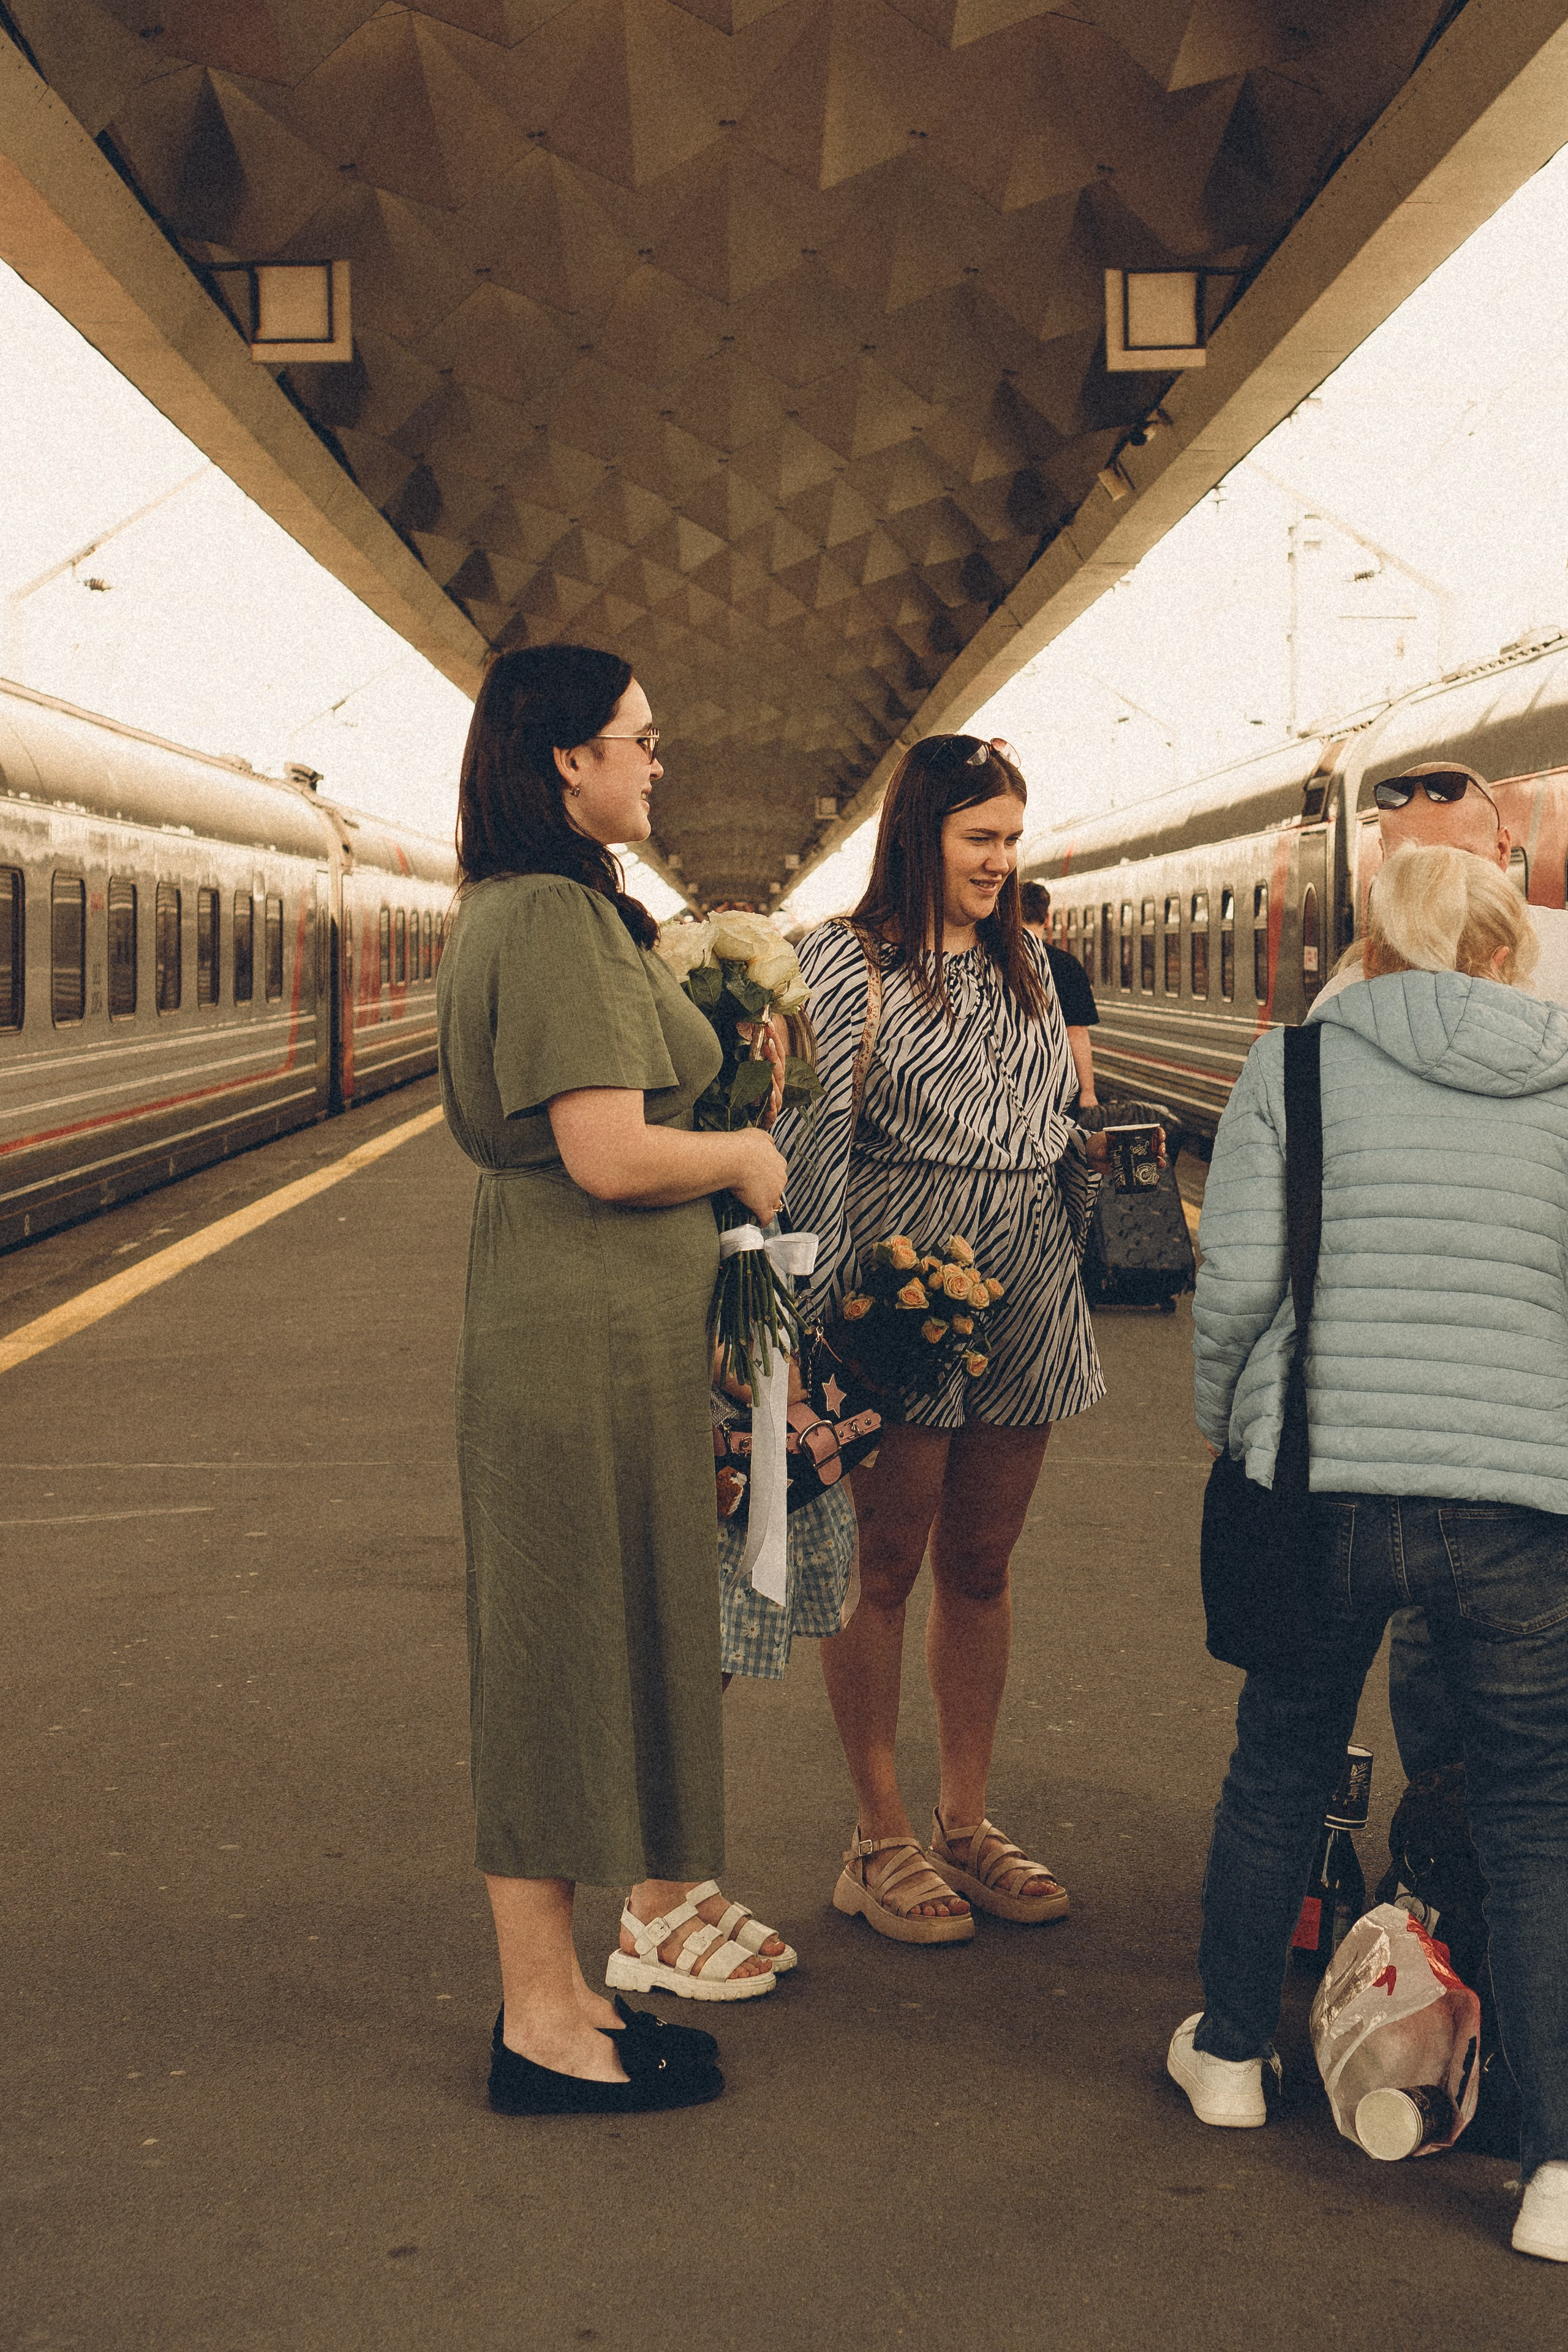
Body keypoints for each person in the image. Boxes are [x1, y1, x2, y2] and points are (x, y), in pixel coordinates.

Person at [1176, 840, 1568, 2263]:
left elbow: (1235, 1284)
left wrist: (1228, 1424)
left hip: (1319, 1478)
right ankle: (1554, 2169)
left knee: (1279, 1757)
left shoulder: (1290, 1069)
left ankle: (1229, 2056)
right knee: (1534, 1810)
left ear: (1372, 950)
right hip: (1516, 1497)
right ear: (1503, 952)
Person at [437, 644, 788, 2116]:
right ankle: (537, 2022)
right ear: (566, 759)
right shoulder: (552, 919)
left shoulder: (546, 906)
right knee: (556, 1654)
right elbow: (605, 1153)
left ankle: (569, 1989)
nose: (655, 762)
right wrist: (744, 1154)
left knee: (587, 1644)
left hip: (588, 1329)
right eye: (638, 739)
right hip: (575, 1335)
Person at [780, 734, 1106, 1943]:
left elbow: (1055, 1122)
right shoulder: (843, 963)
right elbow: (811, 1146)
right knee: (882, 1562)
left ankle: (964, 1823)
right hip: (898, 1288)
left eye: (1011, 839)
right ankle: (877, 1837)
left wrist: (1069, 1261)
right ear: (919, 834)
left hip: (1028, 1286)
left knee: (981, 1562)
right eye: (980, 838)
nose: (1000, 861)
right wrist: (812, 1327)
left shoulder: (1032, 963)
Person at [1320, 764, 1568, 1787]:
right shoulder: (1345, 997)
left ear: (1505, 853)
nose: (1428, 890)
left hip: (1522, 1395)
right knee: (1445, 1657)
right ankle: (1445, 1844)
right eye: (1403, 863)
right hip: (1430, 1415)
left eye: (1452, 858)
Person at [1019, 879, 1099, 1113]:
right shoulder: (1067, 966)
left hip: (1008, 1086)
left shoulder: (993, 960)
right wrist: (1088, 1091)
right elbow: (1077, 1033)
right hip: (1055, 1088)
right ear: (1047, 919)